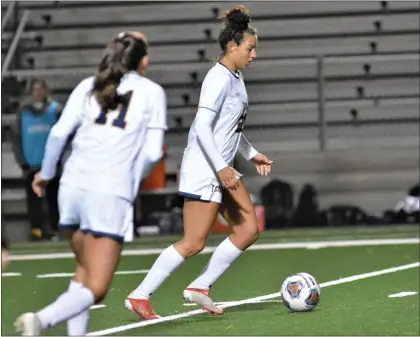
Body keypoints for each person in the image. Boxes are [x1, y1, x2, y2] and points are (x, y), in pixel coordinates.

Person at [15, 31, 167, 336]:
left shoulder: (88, 86)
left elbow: (58, 135)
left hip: (72, 186)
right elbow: (152, 153)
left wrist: (44, 175)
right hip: (109, 191)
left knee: (82, 274)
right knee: (97, 287)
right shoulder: (152, 92)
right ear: (143, 60)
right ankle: (40, 321)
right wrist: (131, 180)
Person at [125, 5, 272, 319]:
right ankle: (139, 296)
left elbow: (230, 127)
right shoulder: (217, 79)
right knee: (193, 242)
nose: (253, 55)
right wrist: (221, 167)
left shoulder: (235, 77)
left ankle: (200, 287)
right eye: (250, 48)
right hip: (206, 167)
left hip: (221, 168)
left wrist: (249, 153)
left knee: (248, 229)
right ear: (232, 47)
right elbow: (202, 127)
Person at [11, 79, 62, 241]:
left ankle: (56, 229)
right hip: (31, 166)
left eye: (41, 89)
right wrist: (22, 162)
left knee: (54, 199)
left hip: (52, 165)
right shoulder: (22, 113)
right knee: (34, 201)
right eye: (35, 90)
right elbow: (16, 139)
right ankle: (37, 231)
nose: (38, 93)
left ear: (46, 91)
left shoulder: (56, 110)